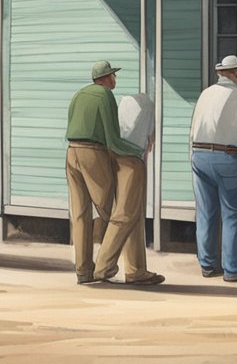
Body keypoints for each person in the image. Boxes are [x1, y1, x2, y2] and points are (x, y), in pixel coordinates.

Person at [64, 60, 145, 284]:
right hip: (93, 152)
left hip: (71, 153)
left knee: (80, 215)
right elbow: (112, 138)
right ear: (107, 78)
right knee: (110, 211)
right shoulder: (105, 95)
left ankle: (83, 271)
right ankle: (106, 267)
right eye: (113, 76)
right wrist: (135, 150)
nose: (115, 80)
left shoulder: (79, 94)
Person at [190, 55, 237, 282]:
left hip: (199, 155)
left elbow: (195, 128)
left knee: (205, 212)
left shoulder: (205, 94)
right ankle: (233, 268)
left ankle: (208, 264)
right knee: (233, 213)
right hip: (229, 157)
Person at [90, 90, 164, 285]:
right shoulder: (147, 107)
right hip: (132, 161)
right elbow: (149, 139)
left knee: (134, 216)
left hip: (113, 157)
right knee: (125, 215)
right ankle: (103, 266)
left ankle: (136, 269)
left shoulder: (123, 104)